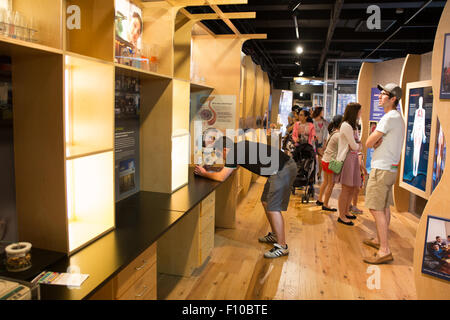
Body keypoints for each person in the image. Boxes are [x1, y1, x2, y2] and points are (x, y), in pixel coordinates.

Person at [194, 137, 298, 259]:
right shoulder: (239, 147)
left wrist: (203, 173)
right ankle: (276, 235)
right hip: (281, 168)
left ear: (225, 149)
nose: (222, 157)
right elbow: (233, 168)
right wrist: (216, 170)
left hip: (283, 169)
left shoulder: (234, 152)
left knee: (273, 208)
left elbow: (222, 177)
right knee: (265, 201)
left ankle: (282, 246)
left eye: (220, 153)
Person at [363, 83, 405, 264]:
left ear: (393, 98)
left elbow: (369, 142)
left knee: (375, 207)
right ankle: (381, 241)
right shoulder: (398, 117)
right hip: (390, 167)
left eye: (383, 94)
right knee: (385, 206)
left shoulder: (389, 118)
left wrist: (375, 140)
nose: (379, 96)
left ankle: (384, 249)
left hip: (382, 168)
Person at [335, 103, 363, 226]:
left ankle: (346, 212)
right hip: (347, 159)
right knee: (346, 189)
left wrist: (358, 145)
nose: (361, 113)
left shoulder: (353, 126)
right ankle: (341, 215)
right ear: (355, 112)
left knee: (352, 188)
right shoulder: (346, 125)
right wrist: (358, 145)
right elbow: (355, 145)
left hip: (353, 158)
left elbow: (357, 144)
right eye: (360, 111)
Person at [316, 115, 342, 212]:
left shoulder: (331, 133)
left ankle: (320, 200)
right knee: (331, 184)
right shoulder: (339, 135)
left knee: (326, 181)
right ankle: (326, 204)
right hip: (330, 161)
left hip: (325, 159)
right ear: (340, 123)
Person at [411, 96, 426, 177]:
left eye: (421, 101)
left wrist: (424, 134)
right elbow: (414, 122)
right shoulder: (417, 111)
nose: (420, 102)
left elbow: (423, 123)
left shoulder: (423, 111)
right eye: (419, 100)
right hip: (416, 130)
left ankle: (416, 169)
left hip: (420, 132)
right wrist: (412, 133)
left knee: (418, 150)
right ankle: (413, 168)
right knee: (414, 151)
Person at [312, 107, 329, 181]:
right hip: (313, 141)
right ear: (319, 112)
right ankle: (312, 174)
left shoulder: (324, 122)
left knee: (320, 158)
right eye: (322, 111)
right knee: (313, 159)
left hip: (322, 142)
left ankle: (319, 173)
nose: (323, 112)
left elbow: (326, 132)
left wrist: (325, 142)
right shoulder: (312, 121)